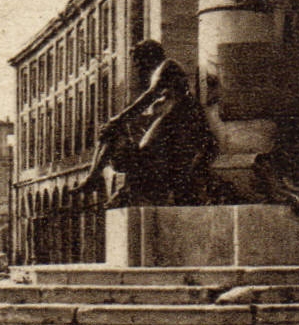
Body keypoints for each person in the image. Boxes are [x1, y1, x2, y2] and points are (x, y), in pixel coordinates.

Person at [79, 40, 217, 207]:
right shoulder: (160, 73)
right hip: (172, 119)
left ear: (149, 55)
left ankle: (103, 181)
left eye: (139, 61)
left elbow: (149, 97)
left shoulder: (167, 65)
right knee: (114, 134)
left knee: (139, 150)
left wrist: (120, 118)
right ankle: (95, 176)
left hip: (182, 118)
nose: (138, 67)